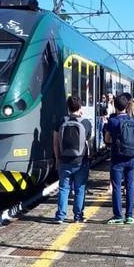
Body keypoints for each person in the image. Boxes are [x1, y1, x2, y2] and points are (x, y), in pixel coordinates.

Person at [53, 96, 92, 224]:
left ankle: (60, 216)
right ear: (80, 107)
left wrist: (57, 158)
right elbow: (88, 141)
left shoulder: (61, 121)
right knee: (80, 189)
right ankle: (78, 216)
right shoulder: (85, 122)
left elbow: (55, 142)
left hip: (64, 161)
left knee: (64, 189)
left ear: (67, 107)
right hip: (81, 161)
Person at [104, 94, 134, 224]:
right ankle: (129, 216)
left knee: (117, 187)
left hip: (117, 158)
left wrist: (111, 139)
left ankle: (118, 216)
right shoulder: (132, 120)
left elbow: (107, 139)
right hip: (131, 158)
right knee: (130, 187)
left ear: (115, 106)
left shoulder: (113, 121)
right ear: (126, 106)